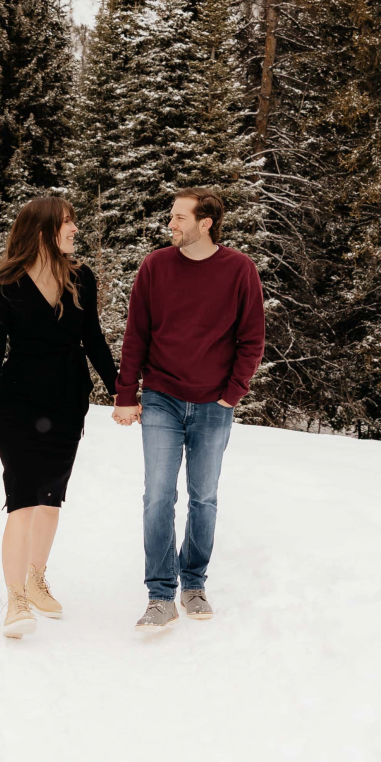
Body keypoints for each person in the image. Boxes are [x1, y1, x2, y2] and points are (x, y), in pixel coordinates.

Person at [113, 188, 264, 633]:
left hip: (213, 404)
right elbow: (136, 334)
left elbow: (251, 339)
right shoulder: (156, 266)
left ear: (206, 223)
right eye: (171, 217)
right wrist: (126, 394)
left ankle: (194, 583)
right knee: (158, 496)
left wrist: (231, 394)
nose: (171, 224)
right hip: (160, 396)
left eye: (179, 217)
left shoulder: (239, 269)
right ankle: (161, 594)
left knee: (204, 498)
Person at [0, 195, 118, 639]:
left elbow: (93, 338)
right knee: (21, 498)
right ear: (41, 230)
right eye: (67, 223)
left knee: (51, 496)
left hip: (68, 401)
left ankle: (37, 579)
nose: (75, 230)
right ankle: (15, 597)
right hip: (19, 403)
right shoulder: (6, 283)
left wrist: (121, 391)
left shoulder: (81, 277)